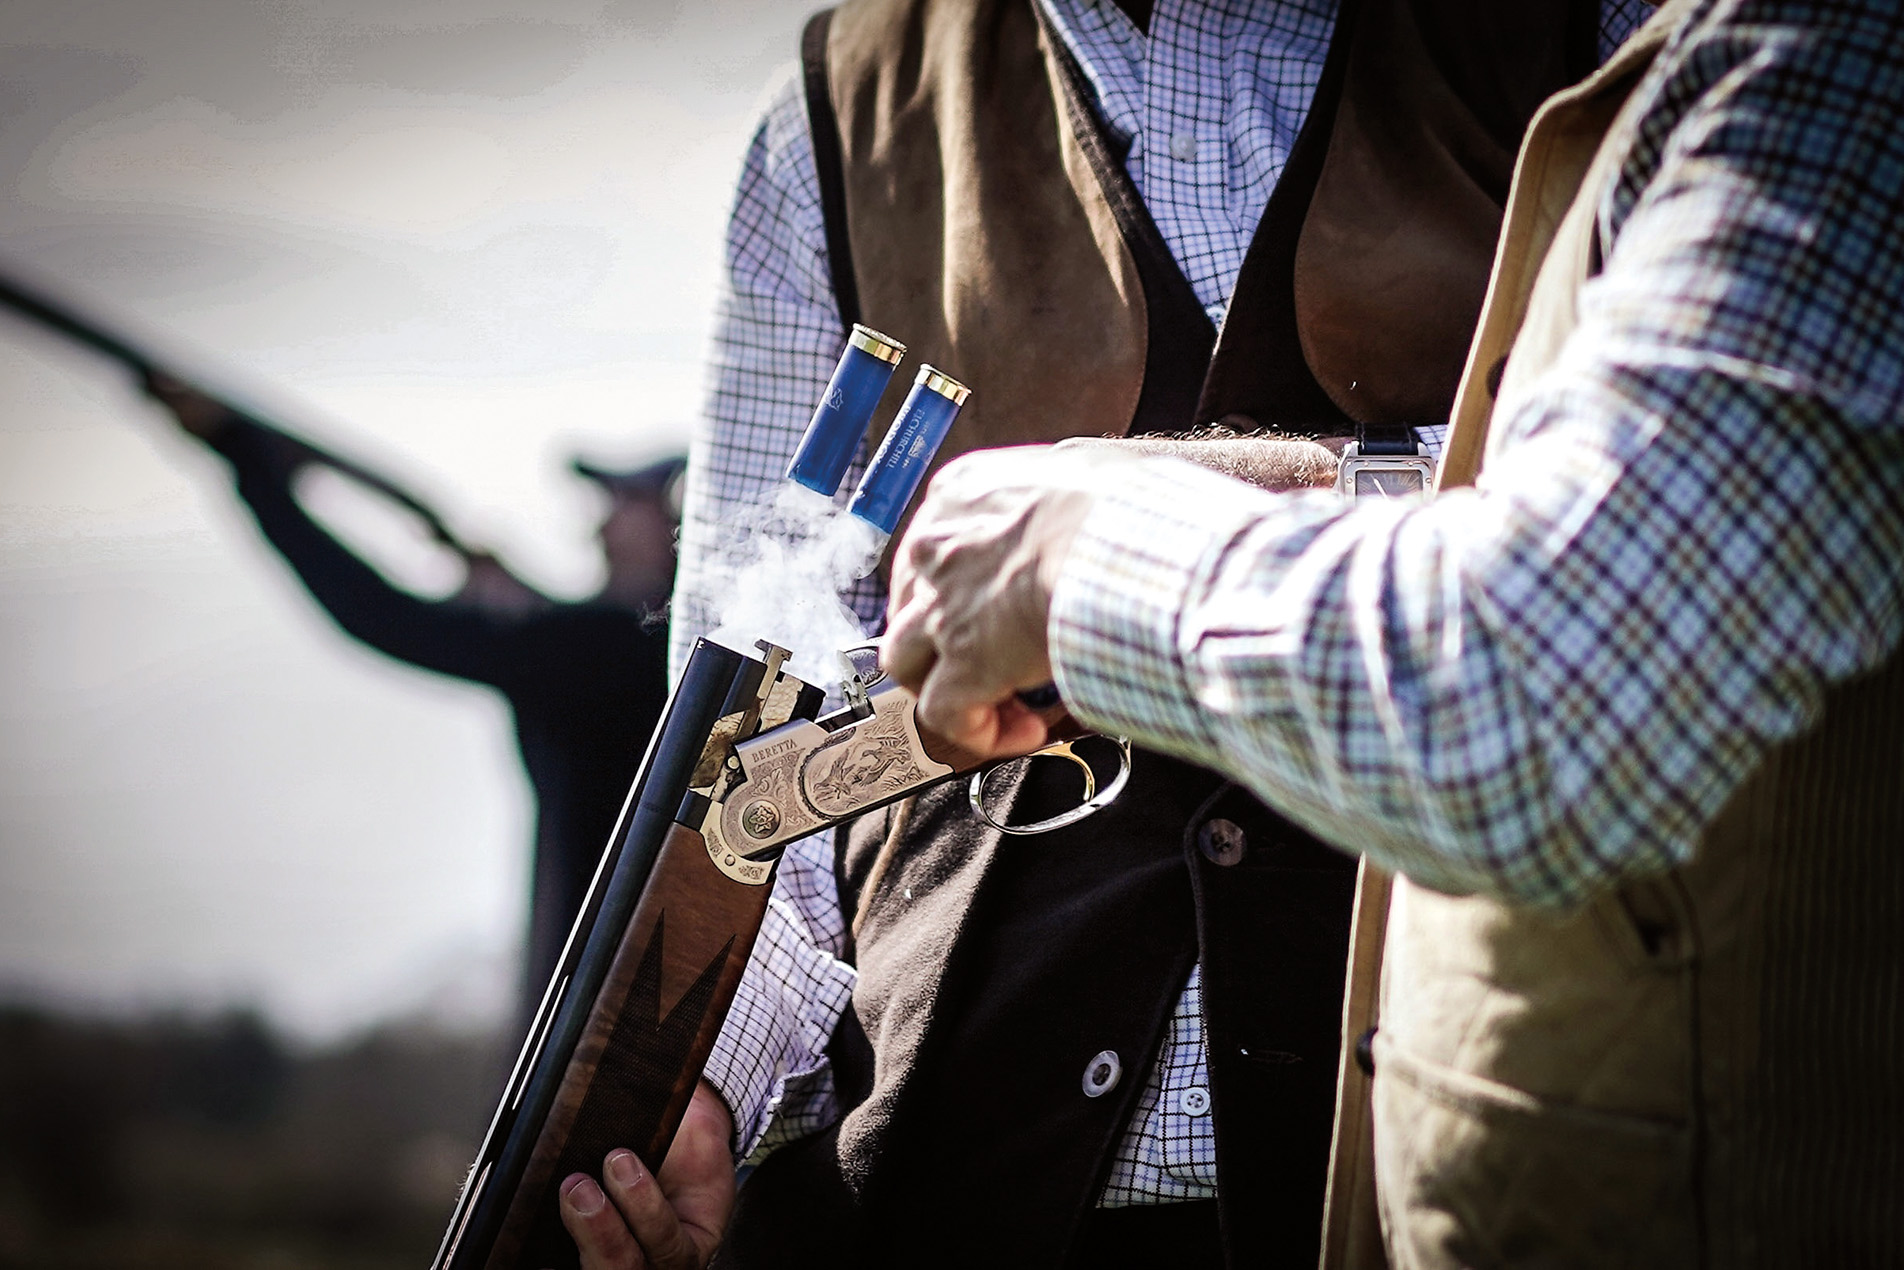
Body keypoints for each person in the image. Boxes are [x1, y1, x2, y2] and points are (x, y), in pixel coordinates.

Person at [552, 2, 1657, 1268]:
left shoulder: (1633, 27)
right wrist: (694, 1105)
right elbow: (755, 769)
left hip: (1483, 1155)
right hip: (942, 1192)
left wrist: (1186, 519)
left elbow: (1688, 531)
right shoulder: (835, 114)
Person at [875, 0, 1904, 1265]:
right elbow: (767, 708)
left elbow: (1549, 692)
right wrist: (723, 1097)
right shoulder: (842, 107)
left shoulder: (1835, 55)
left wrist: (1081, 556)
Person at [146, 377, 681, 1013]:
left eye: (624, 503)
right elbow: (574, 641)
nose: (600, 524)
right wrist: (510, 595)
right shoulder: (640, 650)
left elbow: (378, 616)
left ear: (677, 523)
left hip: (597, 993)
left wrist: (247, 463)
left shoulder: (594, 649)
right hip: (627, 976)